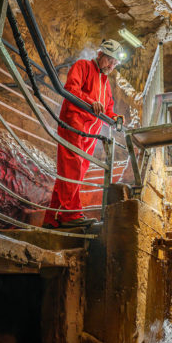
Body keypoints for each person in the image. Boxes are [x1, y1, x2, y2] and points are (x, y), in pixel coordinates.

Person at [43, 39, 124, 228]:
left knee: (72, 174)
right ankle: (70, 215)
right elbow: (71, 88)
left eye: (115, 63)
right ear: (100, 55)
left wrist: (116, 118)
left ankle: (51, 219)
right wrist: (90, 102)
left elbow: (108, 109)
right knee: (72, 169)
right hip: (73, 125)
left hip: (89, 134)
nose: (112, 65)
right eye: (109, 60)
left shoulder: (105, 83)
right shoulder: (83, 66)